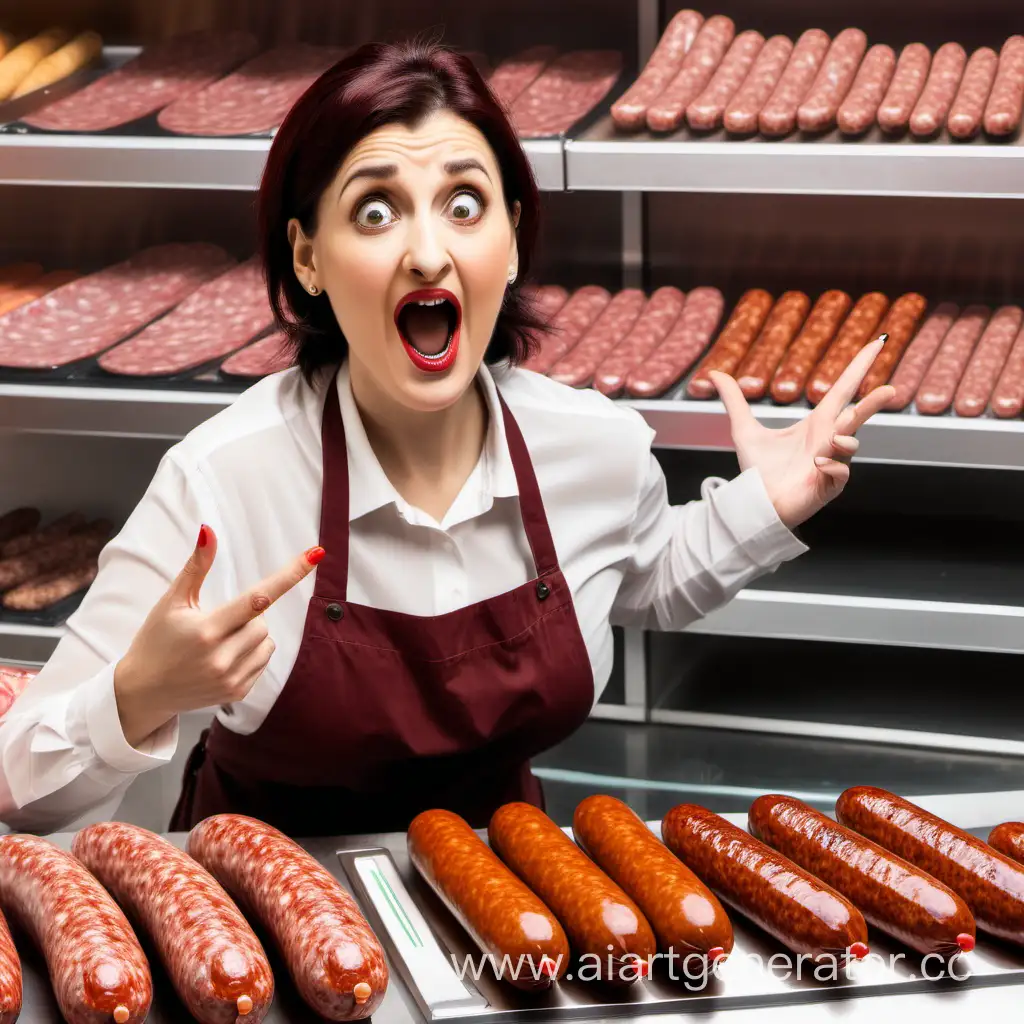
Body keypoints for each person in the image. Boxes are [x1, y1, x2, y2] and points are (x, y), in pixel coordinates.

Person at [0, 41, 894, 837]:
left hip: (507, 898)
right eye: (377, 212)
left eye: (465, 205)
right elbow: (18, 786)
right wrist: (136, 696)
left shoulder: (594, 448)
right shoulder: (222, 484)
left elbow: (645, 575)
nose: (428, 253)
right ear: (308, 258)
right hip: (268, 919)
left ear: (511, 240)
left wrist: (758, 512)